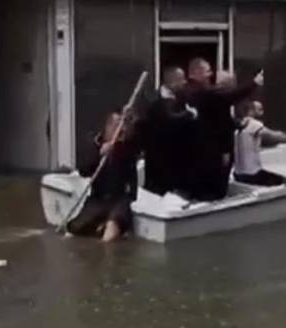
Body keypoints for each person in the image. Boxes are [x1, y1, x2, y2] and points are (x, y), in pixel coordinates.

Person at [184, 59, 263, 201]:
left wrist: (236, 124)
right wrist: (254, 83)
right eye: (207, 71)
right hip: (215, 148)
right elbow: (228, 98)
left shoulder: (195, 93)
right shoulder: (203, 93)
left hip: (204, 148)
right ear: (196, 73)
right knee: (216, 186)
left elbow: (216, 115)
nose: (210, 74)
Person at [67, 111, 138, 242]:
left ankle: (107, 235)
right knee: (73, 230)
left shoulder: (127, 147)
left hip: (119, 199)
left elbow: (137, 137)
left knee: (111, 232)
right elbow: (83, 171)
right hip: (97, 199)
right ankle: (98, 226)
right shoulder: (94, 145)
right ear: (108, 127)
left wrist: (130, 120)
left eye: (122, 125)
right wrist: (100, 154)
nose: (121, 129)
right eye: (117, 125)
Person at [139, 66, 197, 196]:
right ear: (172, 82)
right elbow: (170, 120)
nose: (185, 82)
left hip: (177, 163)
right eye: (181, 79)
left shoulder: (180, 98)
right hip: (161, 164)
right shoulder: (156, 102)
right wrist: (190, 115)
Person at [234, 100, 286, 187]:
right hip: (252, 174)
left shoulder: (237, 127)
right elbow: (272, 136)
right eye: (259, 109)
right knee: (285, 180)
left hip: (237, 174)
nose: (262, 111)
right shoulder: (254, 124)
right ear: (251, 111)